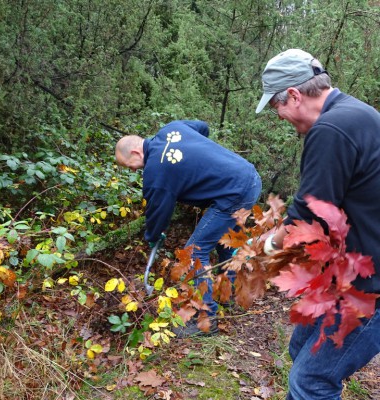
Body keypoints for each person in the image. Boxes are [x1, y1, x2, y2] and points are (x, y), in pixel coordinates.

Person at [256, 48, 380, 399]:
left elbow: (309, 215)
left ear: (294, 95)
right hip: (344, 271)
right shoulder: (359, 113)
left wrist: (269, 245)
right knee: (301, 352)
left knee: (311, 381)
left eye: (277, 107)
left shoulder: (332, 129)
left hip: (368, 286)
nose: (280, 117)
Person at [115, 120, 261, 337]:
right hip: (249, 177)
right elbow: (203, 127)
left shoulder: (156, 172)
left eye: (130, 165)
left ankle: (205, 319)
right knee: (225, 242)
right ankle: (227, 295)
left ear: (136, 152)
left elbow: (158, 212)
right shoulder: (171, 130)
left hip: (234, 194)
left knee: (194, 250)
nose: (134, 169)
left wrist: (153, 236)